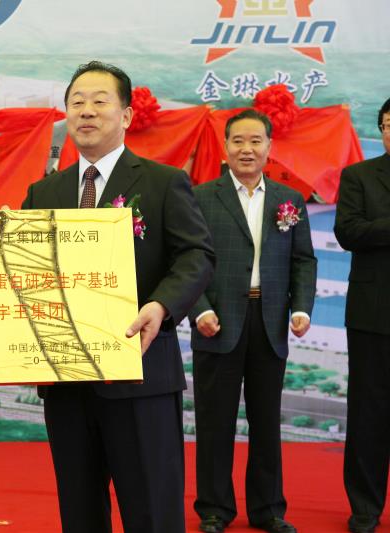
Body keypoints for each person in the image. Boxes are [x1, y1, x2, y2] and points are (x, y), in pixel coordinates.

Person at [20, 61, 215, 533]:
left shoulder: (162, 182)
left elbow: (196, 255)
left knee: (152, 509)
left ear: (126, 115)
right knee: (80, 511)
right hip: (67, 380)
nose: (86, 111)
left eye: (99, 101)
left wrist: (162, 305)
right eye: (76, 102)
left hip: (140, 373)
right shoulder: (43, 192)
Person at [189, 109, 317, 533]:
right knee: (215, 421)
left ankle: (268, 510)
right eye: (238, 141)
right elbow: (186, 260)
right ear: (225, 147)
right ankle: (214, 509)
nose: (247, 149)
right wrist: (199, 308)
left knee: (266, 421)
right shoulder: (200, 197)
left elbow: (303, 260)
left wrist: (301, 308)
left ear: (269, 147)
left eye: (255, 141)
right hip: (216, 322)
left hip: (270, 321)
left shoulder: (288, 199)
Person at [335, 97, 390, 533]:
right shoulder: (359, 176)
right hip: (374, 314)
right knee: (369, 413)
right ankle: (365, 507)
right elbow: (349, 231)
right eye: (389, 124)